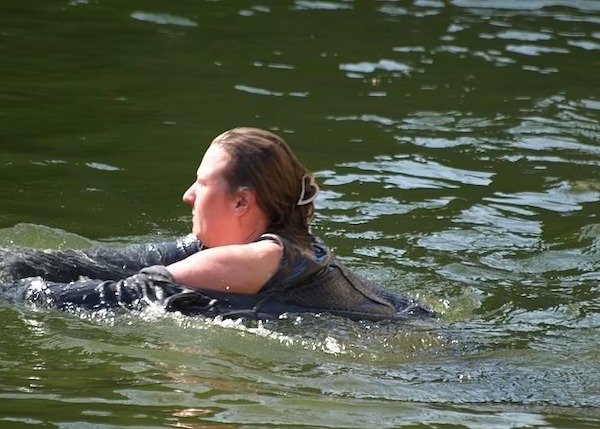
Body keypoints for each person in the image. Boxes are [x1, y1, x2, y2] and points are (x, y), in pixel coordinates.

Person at [0, 127, 435, 321]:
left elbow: (81, 299)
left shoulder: (243, 263)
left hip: (425, 363)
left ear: (243, 201)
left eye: (202, 184)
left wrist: (10, 288)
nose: (188, 195)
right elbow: (106, 262)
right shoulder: (285, 243)